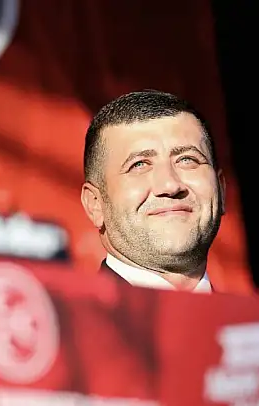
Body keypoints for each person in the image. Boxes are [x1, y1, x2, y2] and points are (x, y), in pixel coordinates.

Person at [81, 90, 225, 293]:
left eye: (187, 160)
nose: (170, 186)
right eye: (139, 164)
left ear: (221, 189)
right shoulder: (66, 314)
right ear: (95, 204)